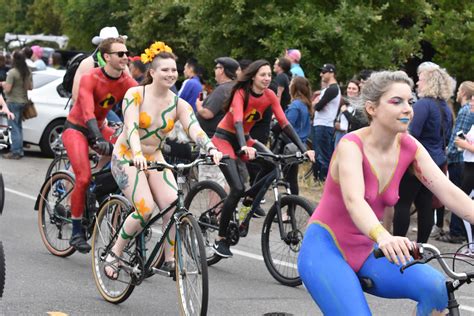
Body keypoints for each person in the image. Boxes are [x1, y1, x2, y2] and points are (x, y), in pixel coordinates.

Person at [298, 70, 474, 315]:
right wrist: (383, 236)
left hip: (369, 251)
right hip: (326, 249)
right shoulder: (350, 145)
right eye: (396, 101)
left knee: (438, 289)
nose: (408, 109)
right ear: (372, 108)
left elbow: (449, 192)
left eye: (410, 102)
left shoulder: (410, 147)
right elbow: (354, 201)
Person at [104, 42, 222, 278]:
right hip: (128, 156)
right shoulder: (135, 94)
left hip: (155, 157)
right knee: (145, 209)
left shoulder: (179, 104)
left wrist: (211, 148)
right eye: (165, 70)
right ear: (152, 72)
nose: (170, 74)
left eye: (174, 70)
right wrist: (137, 154)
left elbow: (195, 129)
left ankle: (169, 259)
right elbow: (131, 127)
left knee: (172, 206)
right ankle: (114, 254)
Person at [211, 59, 315, 258]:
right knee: (237, 187)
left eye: (269, 75)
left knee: (272, 164)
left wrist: (304, 149)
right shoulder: (241, 93)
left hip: (246, 139)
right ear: (253, 76)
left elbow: (284, 123)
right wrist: (242, 146)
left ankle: (250, 200)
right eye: (263, 75)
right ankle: (221, 238)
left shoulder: (269, 95)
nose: (267, 79)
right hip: (225, 138)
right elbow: (239, 121)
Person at [62, 37, 137, 253]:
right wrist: (98, 138)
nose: (125, 57)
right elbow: (86, 112)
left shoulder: (126, 82)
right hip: (76, 128)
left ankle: (100, 193)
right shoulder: (90, 78)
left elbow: (142, 101)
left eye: (127, 53)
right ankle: (76, 231)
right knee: (83, 177)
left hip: (101, 127)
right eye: (120, 54)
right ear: (106, 57)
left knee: (128, 157)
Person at [393, 66, 454, 243]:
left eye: (421, 78)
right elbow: (448, 137)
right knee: (425, 205)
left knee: (403, 203)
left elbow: (411, 134)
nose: (418, 81)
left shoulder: (423, 104)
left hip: (416, 162)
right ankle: (422, 249)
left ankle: (397, 245)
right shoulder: (446, 107)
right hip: (437, 160)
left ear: (430, 82)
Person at [434, 81, 474, 243]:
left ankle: (458, 234)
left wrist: (461, 145)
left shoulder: (465, 111)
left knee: (461, 199)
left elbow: (459, 138)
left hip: (464, 162)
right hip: (466, 162)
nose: (471, 102)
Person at [196, 57, 239, 189]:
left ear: (222, 70)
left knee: (213, 182)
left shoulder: (222, 90)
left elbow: (208, 113)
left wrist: (198, 105)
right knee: (224, 179)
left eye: (217, 68)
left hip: (213, 139)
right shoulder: (235, 87)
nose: (215, 71)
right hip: (229, 139)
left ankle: (215, 210)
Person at [272, 76, 312, 195]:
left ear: (294, 87)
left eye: (291, 84)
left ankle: (291, 210)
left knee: (290, 180)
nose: (289, 85)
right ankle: (291, 210)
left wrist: (275, 126)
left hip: (291, 146)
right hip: (300, 145)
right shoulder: (305, 104)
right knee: (292, 179)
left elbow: (286, 125)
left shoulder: (295, 106)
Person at [311, 63, 341, 181]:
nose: (321, 74)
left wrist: (314, 104)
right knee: (319, 153)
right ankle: (318, 177)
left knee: (324, 155)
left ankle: (325, 179)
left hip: (325, 124)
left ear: (331, 73)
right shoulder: (328, 89)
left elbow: (318, 106)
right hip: (321, 124)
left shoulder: (333, 89)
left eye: (324, 72)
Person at [0, 50, 32, 159]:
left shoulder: (13, 72)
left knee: (14, 128)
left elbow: (8, 89)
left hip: (13, 101)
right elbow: (30, 87)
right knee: (18, 127)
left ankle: (16, 152)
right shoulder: (27, 72)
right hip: (23, 101)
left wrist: (3, 84)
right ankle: (20, 150)